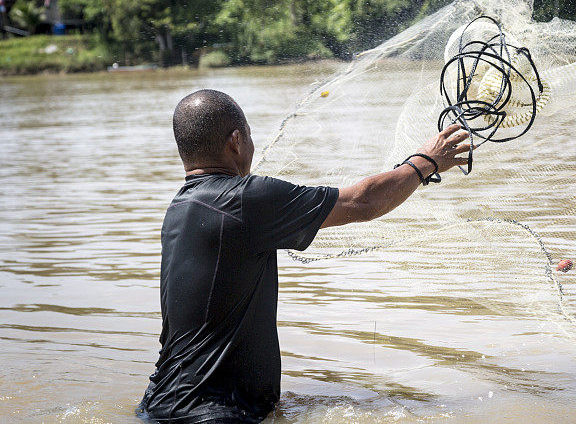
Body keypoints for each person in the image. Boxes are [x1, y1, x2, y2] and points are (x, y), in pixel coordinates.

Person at [137, 89, 471, 423]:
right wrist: (426, 161)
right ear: (236, 141)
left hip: (159, 404)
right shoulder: (245, 200)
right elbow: (362, 202)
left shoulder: (179, 209)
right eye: (250, 136)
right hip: (211, 415)